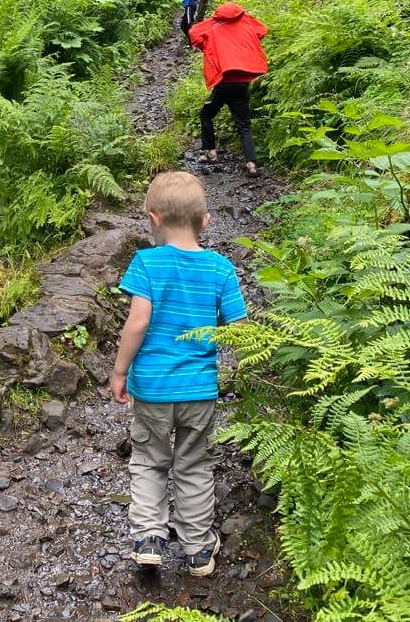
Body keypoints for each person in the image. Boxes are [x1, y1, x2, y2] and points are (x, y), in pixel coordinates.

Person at [110, 171, 247, 578]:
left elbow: (137, 322)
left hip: (152, 389)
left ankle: (150, 537)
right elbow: (241, 330)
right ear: (205, 221)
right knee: (193, 464)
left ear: (153, 219)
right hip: (199, 389)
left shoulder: (146, 262)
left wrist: (120, 370)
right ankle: (198, 548)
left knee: (150, 461)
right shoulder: (221, 269)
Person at [188, 2, 268, 176]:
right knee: (244, 126)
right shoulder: (245, 20)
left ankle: (210, 151)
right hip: (243, 82)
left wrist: (208, 45)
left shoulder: (213, 24)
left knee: (206, 114)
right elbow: (262, 30)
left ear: (219, 12)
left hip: (224, 81)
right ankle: (252, 165)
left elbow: (193, 33)